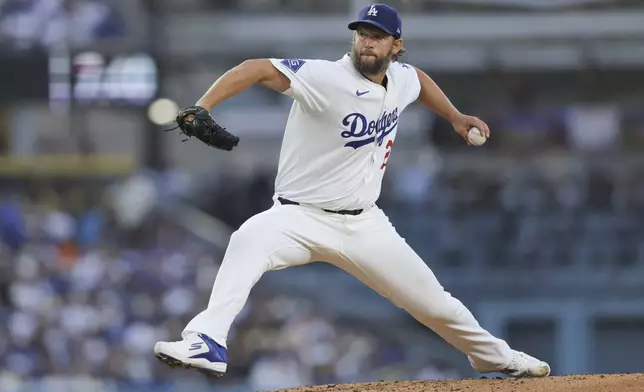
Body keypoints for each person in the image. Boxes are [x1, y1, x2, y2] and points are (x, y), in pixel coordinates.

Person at [154, 3, 551, 380]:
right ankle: (206, 341)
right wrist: (201, 105)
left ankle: (494, 356)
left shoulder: (400, 79)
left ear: (396, 46)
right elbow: (256, 68)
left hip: (365, 225)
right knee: (246, 240)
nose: (366, 42)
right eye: (362, 33)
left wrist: (455, 116)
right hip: (298, 217)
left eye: (377, 36)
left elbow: (419, 81)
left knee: (433, 302)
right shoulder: (326, 78)